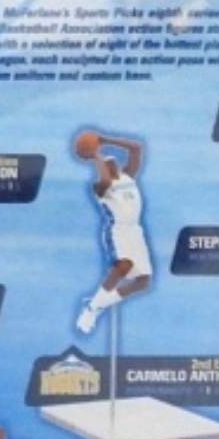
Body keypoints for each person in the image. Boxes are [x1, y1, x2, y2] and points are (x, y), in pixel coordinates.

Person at [74, 131, 153, 335]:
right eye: (106, 163)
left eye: (112, 161)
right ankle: (91, 309)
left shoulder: (128, 177)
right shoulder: (100, 187)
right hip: (117, 231)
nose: (110, 163)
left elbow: (136, 148)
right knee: (123, 266)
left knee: (143, 281)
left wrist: (105, 139)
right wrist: (96, 154)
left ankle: (96, 304)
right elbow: (106, 180)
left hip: (135, 231)